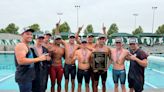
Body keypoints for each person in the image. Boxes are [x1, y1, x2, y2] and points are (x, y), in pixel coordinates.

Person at [14, 28, 51, 92]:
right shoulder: (21, 46)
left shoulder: (27, 46)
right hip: (24, 77)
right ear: (22, 35)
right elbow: (21, 61)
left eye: (31, 34)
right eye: (27, 34)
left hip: (29, 76)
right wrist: (39, 58)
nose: (30, 36)